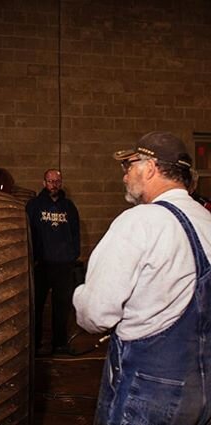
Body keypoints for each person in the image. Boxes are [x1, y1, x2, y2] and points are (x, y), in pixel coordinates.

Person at [73, 131, 211, 424]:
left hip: (149, 393)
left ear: (150, 168)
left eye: (129, 165)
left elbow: (96, 314)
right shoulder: (207, 221)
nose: (125, 176)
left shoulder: (139, 222)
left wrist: (78, 296)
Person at [26, 169, 80, 355]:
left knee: (62, 307)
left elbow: (75, 233)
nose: (54, 184)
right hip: (41, 265)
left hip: (63, 265)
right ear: (44, 183)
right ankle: (35, 345)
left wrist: (73, 256)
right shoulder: (33, 206)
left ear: (61, 183)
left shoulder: (69, 207)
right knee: (37, 307)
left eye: (57, 181)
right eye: (50, 181)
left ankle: (60, 344)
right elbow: (27, 233)